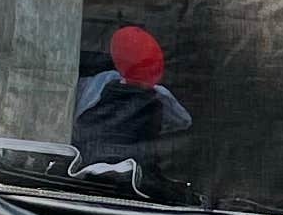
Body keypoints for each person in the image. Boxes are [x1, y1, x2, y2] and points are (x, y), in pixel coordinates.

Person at [70, 24, 193, 185]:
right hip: (131, 181)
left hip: (92, 175)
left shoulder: (94, 87)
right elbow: (183, 122)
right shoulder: (158, 98)